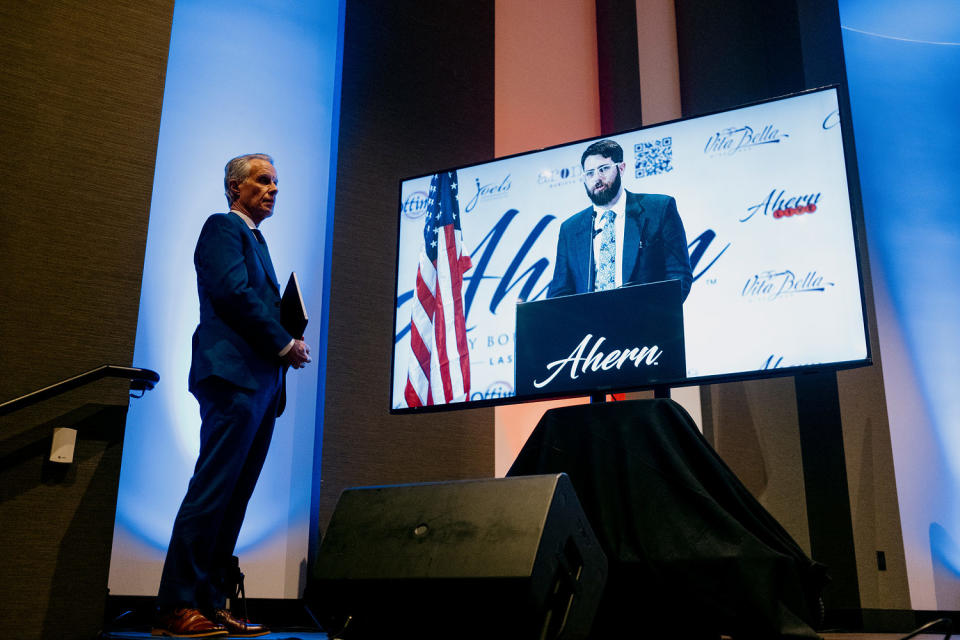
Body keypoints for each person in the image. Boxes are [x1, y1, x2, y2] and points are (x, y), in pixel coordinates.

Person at [152, 154, 311, 638]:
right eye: (263, 181)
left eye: (277, 183)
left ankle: (211, 601)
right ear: (234, 187)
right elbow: (233, 295)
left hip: (261, 384)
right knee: (213, 490)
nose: (273, 189)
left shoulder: (257, 240)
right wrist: (285, 341)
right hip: (233, 379)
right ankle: (177, 606)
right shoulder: (223, 227)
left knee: (234, 498)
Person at [547, 139, 692, 301]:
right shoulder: (570, 229)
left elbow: (679, 276)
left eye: (603, 169)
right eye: (590, 173)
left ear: (621, 168)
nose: (597, 178)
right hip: (591, 324)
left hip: (647, 322)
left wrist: (653, 319)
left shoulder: (659, 209)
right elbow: (560, 293)